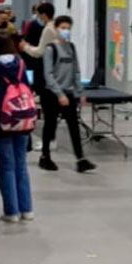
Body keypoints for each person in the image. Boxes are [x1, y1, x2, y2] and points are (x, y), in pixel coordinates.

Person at [0, 33, 35, 223]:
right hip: (23, 120)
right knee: (21, 165)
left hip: (2, 122)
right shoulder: (20, 64)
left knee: (6, 167)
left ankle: (11, 211)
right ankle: (27, 209)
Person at [39, 14, 94, 174]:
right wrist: (59, 94)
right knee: (50, 125)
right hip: (52, 94)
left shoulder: (71, 47)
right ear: (56, 29)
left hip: (68, 92)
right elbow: (48, 75)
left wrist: (80, 91)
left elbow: (76, 71)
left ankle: (80, 159)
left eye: (68, 28)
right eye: (63, 28)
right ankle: (45, 156)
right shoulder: (50, 49)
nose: (66, 31)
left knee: (74, 126)